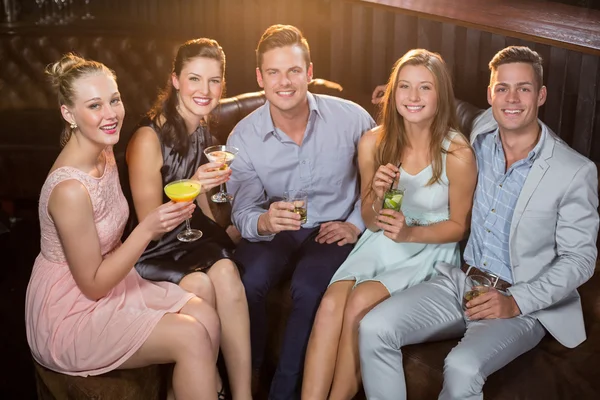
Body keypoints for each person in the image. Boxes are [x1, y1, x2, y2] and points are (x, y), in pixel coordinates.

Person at [359, 46, 599, 399]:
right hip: (461, 282)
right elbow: (435, 108)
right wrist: (394, 94)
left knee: (462, 366)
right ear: (490, 95)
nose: (512, 99)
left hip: (521, 303)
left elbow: (581, 260)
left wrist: (515, 301)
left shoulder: (574, 171)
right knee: (373, 327)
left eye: (524, 88)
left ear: (541, 94)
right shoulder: (479, 131)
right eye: (502, 88)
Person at [25, 53, 222, 400]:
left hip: (115, 281)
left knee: (205, 312)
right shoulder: (69, 190)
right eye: (95, 105)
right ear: (68, 114)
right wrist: (147, 228)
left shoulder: (103, 152)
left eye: (114, 100)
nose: (111, 114)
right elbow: (93, 286)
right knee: (190, 336)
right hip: (71, 311)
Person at [301, 49, 477, 400]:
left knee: (359, 303)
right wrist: (378, 195)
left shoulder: (457, 153)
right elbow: (369, 219)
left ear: (440, 94)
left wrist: (410, 232)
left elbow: (458, 226)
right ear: (393, 92)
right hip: (380, 242)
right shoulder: (374, 143)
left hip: (428, 247)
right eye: (405, 87)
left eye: (424, 88)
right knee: (330, 305)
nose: (413, 98)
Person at [226, 25, 376, 400]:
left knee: (309, 289)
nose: (285, 82)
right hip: (275, 229)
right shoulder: (242, 138)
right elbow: (242, 208)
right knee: (247, 281)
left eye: (294, 70)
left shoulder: (353, 119)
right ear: (260, 78)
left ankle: (283, 393)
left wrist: (356, 223)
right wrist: (263, 220)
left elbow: (381, 180)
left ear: (309, 73)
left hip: (332, 228)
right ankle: (248, 377)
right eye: (273, 72)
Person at [125, 38, 251, 400]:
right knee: (200, 287)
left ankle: (243, 395)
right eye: (194, 78)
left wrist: (224, 214)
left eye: (214, 81)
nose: (205, 90)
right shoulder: (148, 139)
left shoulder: (201, 132)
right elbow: (150, 222)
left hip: (191, 237)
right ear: (176, 80)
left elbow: (207, 205)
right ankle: (209, 388)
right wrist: (196, 183)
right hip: (155, 249)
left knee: (227, 272)